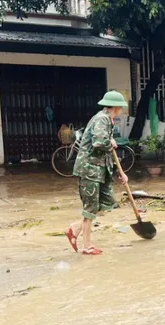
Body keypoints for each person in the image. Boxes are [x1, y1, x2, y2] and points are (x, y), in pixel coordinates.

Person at [65, 91, 129, 255]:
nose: (122, 109)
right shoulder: (101, 119)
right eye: (121, 107)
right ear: (116, 107)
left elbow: (107, 150)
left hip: (100, 169)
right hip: (89, 169)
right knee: (91, 207)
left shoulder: (108, 119)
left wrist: (118, 173)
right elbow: (99, 142)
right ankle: (87, 245)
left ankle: (74, 229)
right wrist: (111, 141)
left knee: (107, 202)